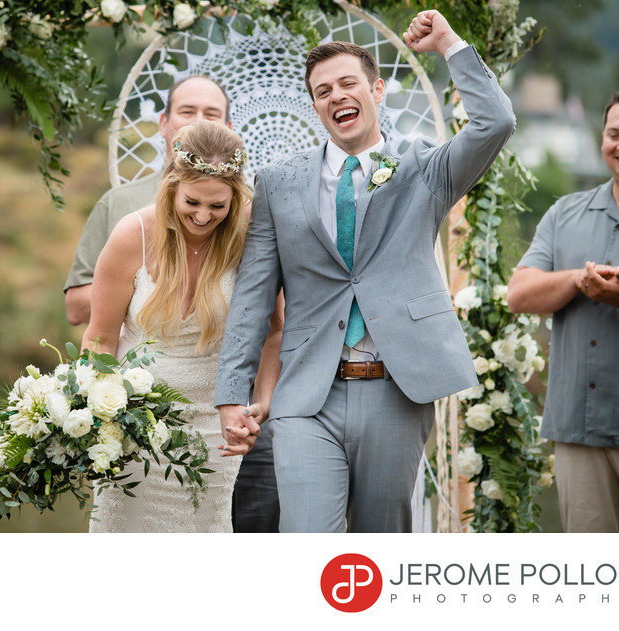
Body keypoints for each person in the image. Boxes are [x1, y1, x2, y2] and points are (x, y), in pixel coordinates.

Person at [214, 10, 515, 533]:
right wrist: (230, 395)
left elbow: (496, 123)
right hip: (307, 393)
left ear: (376, 90)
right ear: (314, 106)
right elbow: (253, 298)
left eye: (348, 83)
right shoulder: (278, 182)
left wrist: (449, 44)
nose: (336, 96)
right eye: (323, 90)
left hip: (397, 388)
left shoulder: (425, 168)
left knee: (382, 545)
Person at [82, 120, 282, 532]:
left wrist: (261, 403)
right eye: (192, 202)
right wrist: (104, 413)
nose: (204, 216)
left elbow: (275, 329)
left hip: (214, 431)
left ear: (236, 198)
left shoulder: (250, 239)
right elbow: (99, 338)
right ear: (172, 183)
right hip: (133, 430)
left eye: (218, 206)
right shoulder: (132, 235)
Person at [506, 86, 619, 533]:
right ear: (601, 138)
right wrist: (574, 279)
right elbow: (519, 295)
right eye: (615, 133)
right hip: (577, 428)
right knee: (593, 577)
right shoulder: (564, 213)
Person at [64, 75, 232, 326]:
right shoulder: (117, 202)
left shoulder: (250, 208)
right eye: (187, 111)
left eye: (211, 114)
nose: (198, 122)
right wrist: (141, 289)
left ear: (228, 127)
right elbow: (75, 309)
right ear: (163, 123)